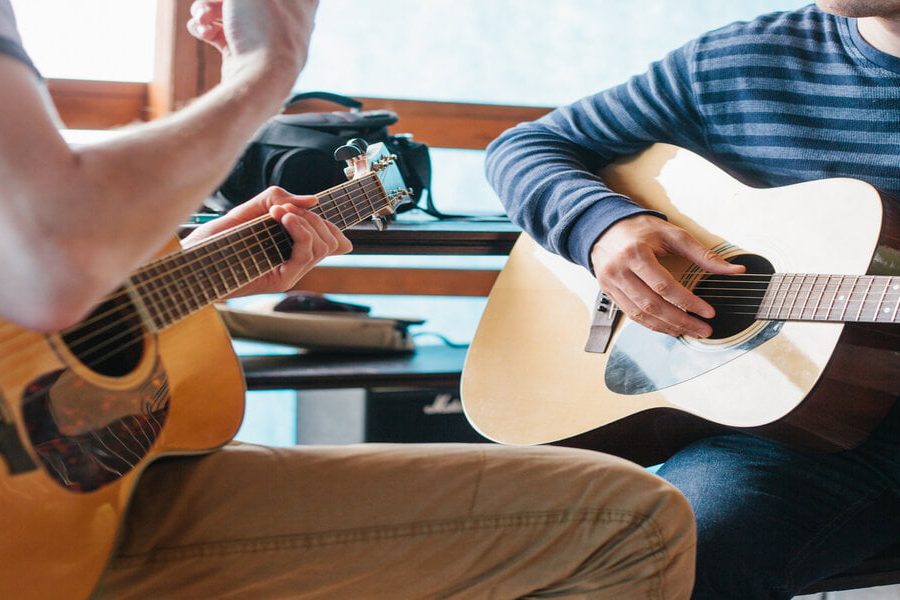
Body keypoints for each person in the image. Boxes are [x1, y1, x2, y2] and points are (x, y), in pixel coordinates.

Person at [0, 1, 697, 598]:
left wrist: (189, 265)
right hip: (31, 534)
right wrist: (268, 66)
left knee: (633, 516)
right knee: (628, 531)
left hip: (93, 496)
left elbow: (38, 272)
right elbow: (50, 256)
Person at [485, 1, 900, 598]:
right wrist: (601, 229)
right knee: (659, 558)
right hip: (783, 441)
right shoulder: (742, 60)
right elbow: (528, 147)